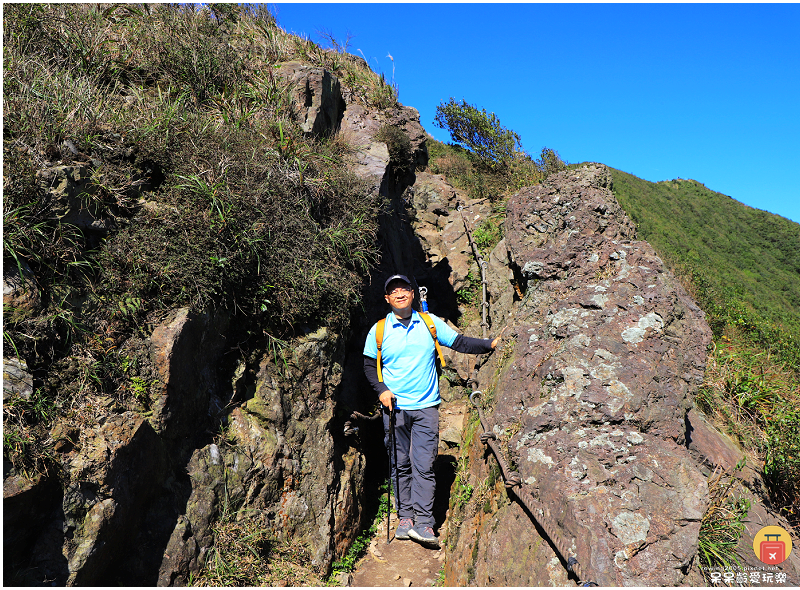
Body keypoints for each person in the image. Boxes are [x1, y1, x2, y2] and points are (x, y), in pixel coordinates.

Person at [363, 274, 500, 548]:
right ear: (387, 299)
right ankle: (405, 518)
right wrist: (381, 390)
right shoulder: (378, 330)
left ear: (413, 294)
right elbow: (369, 366)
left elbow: (459, 343)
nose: (400, 293)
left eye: (404, 289)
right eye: (394, 291)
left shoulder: (429, 323)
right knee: (399, 464)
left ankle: (424, 522)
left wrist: (489, 345)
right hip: (395, 409)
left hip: (426, 407)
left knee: (423, 465)